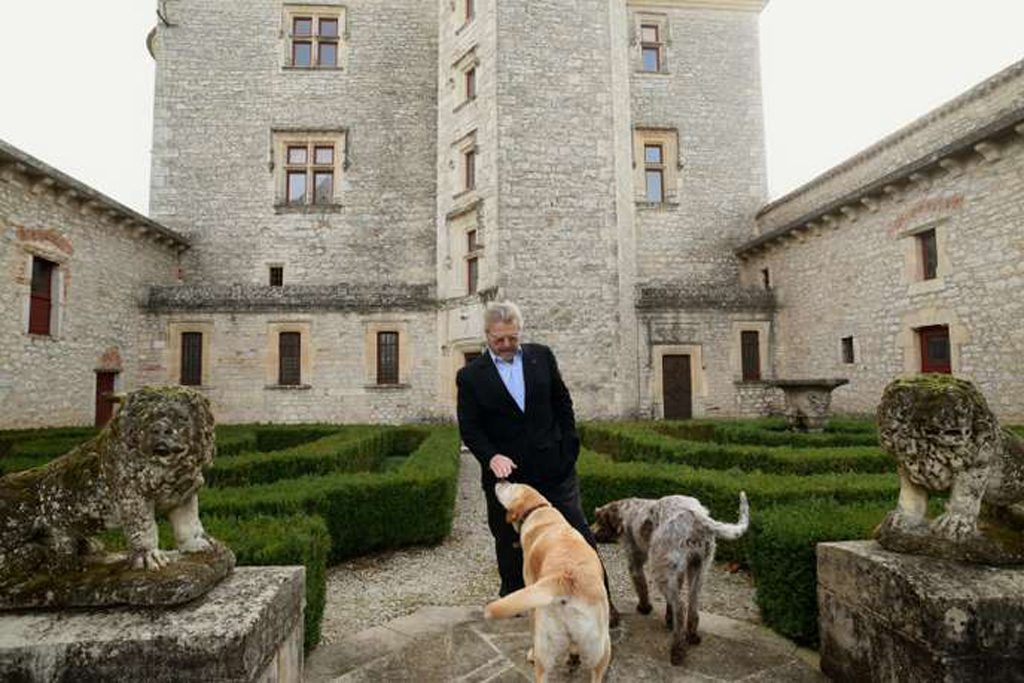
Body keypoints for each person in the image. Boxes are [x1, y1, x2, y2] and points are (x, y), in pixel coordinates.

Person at [457, 301, 618, 623]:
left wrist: (569, 447)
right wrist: (491, 457)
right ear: (487, 335)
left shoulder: (541, 356)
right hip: (507, 479)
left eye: (512, 338)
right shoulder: (470, 376)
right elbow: (470, 428)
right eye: (499, 339)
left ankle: (603, 603)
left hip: (554, 468)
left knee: (579, 533)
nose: (506, 346)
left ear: (520, 333)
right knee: (508, 541)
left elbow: (562, 402)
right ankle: (516, 601)